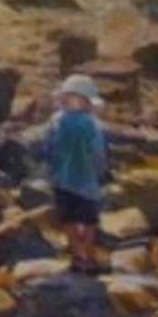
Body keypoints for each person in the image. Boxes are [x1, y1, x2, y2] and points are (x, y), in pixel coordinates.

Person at [44, 72, 108, 268]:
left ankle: (76, 253)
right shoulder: (91, 125)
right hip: (86, 180)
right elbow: (98, 152)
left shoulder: (56, 120)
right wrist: (101, 172)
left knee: (68, 217)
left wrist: (51, 168)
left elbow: (48, 147)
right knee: (89, 219)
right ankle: (87, 253)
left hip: (61, 179)